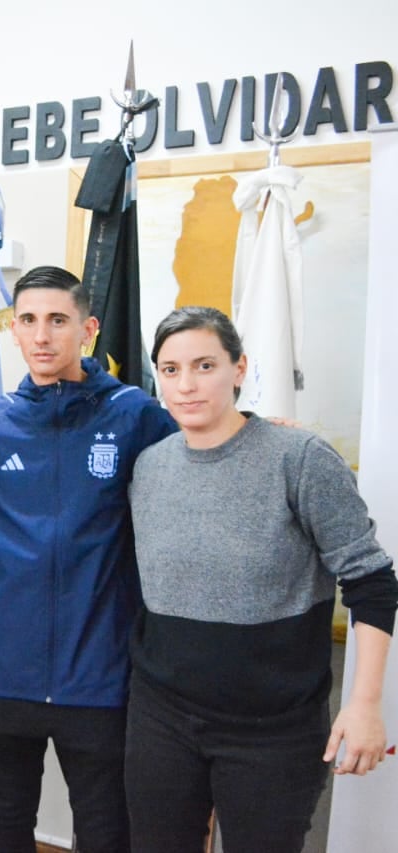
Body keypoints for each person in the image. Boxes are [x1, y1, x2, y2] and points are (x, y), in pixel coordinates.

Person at [125, 306, 396, 853]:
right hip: (162, 719)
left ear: (239, 368)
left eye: (205, 365)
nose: (187, 384)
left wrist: (365, 705)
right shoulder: (148, 467)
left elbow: (372, 582)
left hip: (273, 730)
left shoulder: (299, 459)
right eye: (171, 370)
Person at [0, 265, 176, 853]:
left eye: (58, 320)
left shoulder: (134, 416)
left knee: (106, 834)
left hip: (100, 679)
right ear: (13, 329)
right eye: (27, 320)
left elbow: (200, 466)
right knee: (6, 831)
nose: (42, 336)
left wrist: (257, 430)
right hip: (4, 678)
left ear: (88, 328)